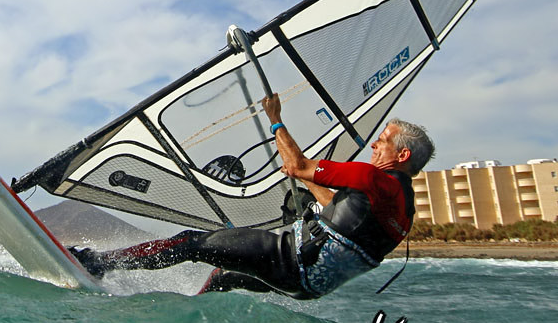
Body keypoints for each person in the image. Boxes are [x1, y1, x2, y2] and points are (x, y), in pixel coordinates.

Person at [69, 93, 435, 299]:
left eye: (383, 141)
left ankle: (99, 263)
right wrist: (308, 185)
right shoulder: (403, 208)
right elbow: (338, 212)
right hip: (306, 288)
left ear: (402, 156)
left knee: (191, 243)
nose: (375, 143)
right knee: (225, 275)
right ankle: (197, 308)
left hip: (290, 261)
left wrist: (275, 119)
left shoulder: (372, 177)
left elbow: (296, 164)